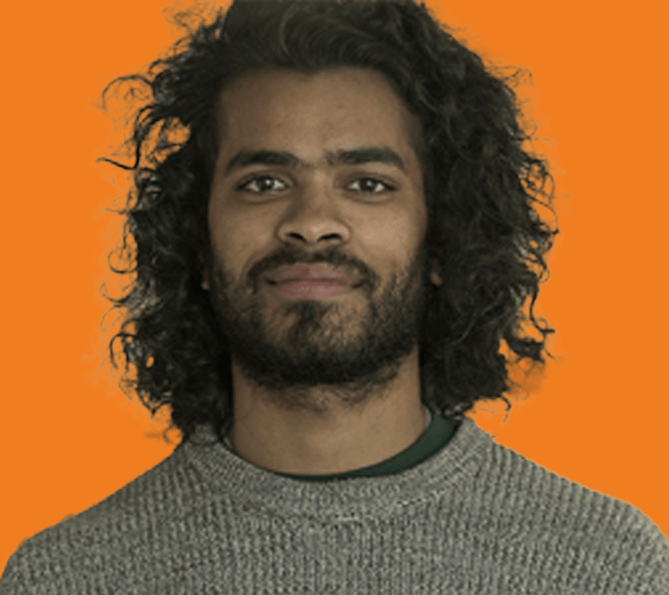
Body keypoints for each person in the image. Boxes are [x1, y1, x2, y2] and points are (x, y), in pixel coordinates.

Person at [2, 0, 667, 592]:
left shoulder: (609, 570)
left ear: (443, 239)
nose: (313, 222)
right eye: (264, 182)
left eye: (367, 183)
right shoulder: (65, 579)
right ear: (196, 242)